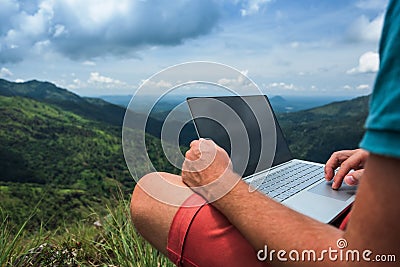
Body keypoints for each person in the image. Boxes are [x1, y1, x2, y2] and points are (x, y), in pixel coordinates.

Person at [130, 0, 400, 265]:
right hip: (372, 215)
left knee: (150, 189)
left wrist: (222, 183)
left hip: (340, 243)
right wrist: (384, 162)